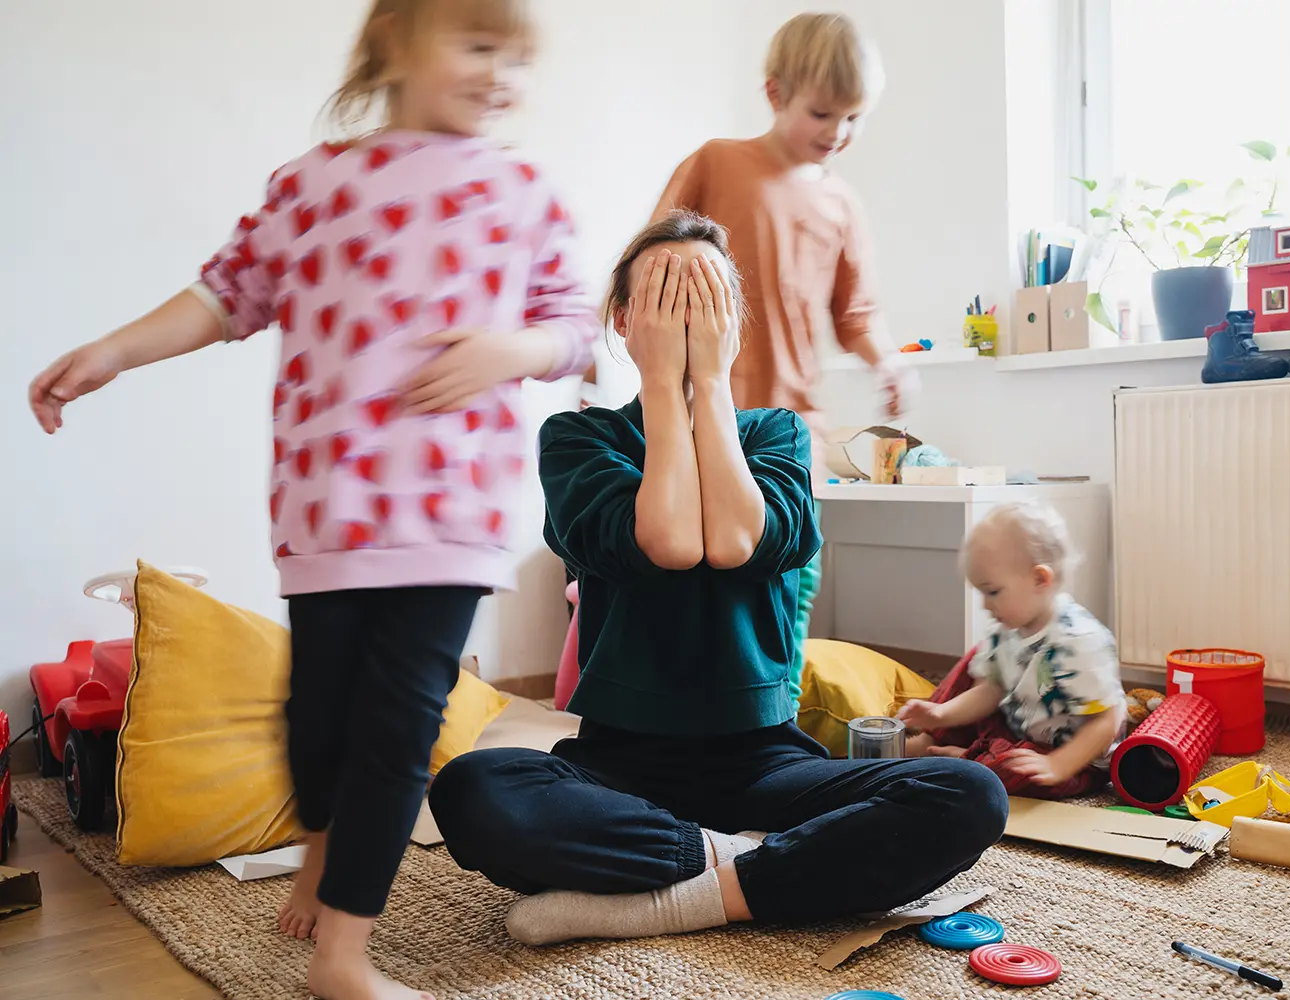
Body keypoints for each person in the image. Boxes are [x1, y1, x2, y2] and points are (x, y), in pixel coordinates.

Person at [27, 1, 599, 996]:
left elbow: (576, 325)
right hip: (327, 515)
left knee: (394, 729)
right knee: (317, 725)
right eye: (477, 45)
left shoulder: (523, 190)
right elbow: (223, 294)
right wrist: (113, 350)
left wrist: (517, 348)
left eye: (517, 57)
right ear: (394, 46)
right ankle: (322, 849)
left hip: (448, 522)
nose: (501, 73)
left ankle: (344, 956)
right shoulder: (315, 184)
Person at [428, 211, 1007, 946]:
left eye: (704, 301)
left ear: (733, 323)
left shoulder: (777, 434)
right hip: (616, 762)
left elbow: (735, 541)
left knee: (969, 794)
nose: (686, 319)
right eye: (668, 299)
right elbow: (669, 541)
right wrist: (666, 385)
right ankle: (749, 866)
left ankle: (686, 892)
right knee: (474, 791)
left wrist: (708, 377)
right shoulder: (580, 439)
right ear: (625, 319)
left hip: (763, 762)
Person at [650, 12, 917, 697]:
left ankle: (778, 706)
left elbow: (855, 312)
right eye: (823, 113)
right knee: (703, 572)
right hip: (704, 411)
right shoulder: (717, 163)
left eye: (855, 118)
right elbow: (651, 255)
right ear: (775, 94)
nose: (839, 133)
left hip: (792, 425)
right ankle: (696, 711)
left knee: (795, 570)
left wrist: (885, 359)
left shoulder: (843, 205)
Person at [898, 502, 1127, 800]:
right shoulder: (1007, 626)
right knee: (976, 662)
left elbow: (1106, 722)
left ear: (1039, 579)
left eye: (992, 591)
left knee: (1013, 772)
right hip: (1018, 725)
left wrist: (1058, 764)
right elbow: (991, 690)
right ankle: (934, 739)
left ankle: (966, 761)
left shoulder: (1078, 641)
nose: (984, 604)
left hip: (1071, 755)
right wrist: (941, 714)